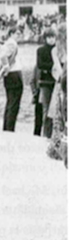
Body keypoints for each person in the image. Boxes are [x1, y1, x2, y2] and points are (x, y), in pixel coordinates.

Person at [0, 25, 23, 132]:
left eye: (20, 34)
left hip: (10, 75)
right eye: (17, 33)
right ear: (11, 34)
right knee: (14, 102)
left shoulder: (8, 43)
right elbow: (3, 56)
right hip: (14, 74)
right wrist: (6, 67)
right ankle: (10, 128)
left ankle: (7, 127)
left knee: (10, 101)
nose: (19, 36)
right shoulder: (12, 43)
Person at [47, 23, 67, 162]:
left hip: (61, 83)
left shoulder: (55, 50)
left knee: (59, 116)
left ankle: (58, 147)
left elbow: (57, 69)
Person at [37, 28, 56, 138]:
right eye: (49, 37)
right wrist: (53, 67)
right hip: (45, 82)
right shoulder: (40, 50)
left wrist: (48, 68)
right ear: (45, 38)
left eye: (53, 37)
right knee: (46, 108)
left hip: (54, 81)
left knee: (56, 109)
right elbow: (40, 65)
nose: (52, 40)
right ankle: (46, 134)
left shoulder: (59, 49)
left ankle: (54, 134)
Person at [30, 65, 43, 136]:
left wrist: (34, 92)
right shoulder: (37, 67)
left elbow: (32, 81)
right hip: (39, 92)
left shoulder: (37, 66)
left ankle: (37, 134)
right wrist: (35, 92)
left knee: (38, 116)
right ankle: (37, 133)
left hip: (38, 92)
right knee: (38, 116)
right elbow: (32, 81)